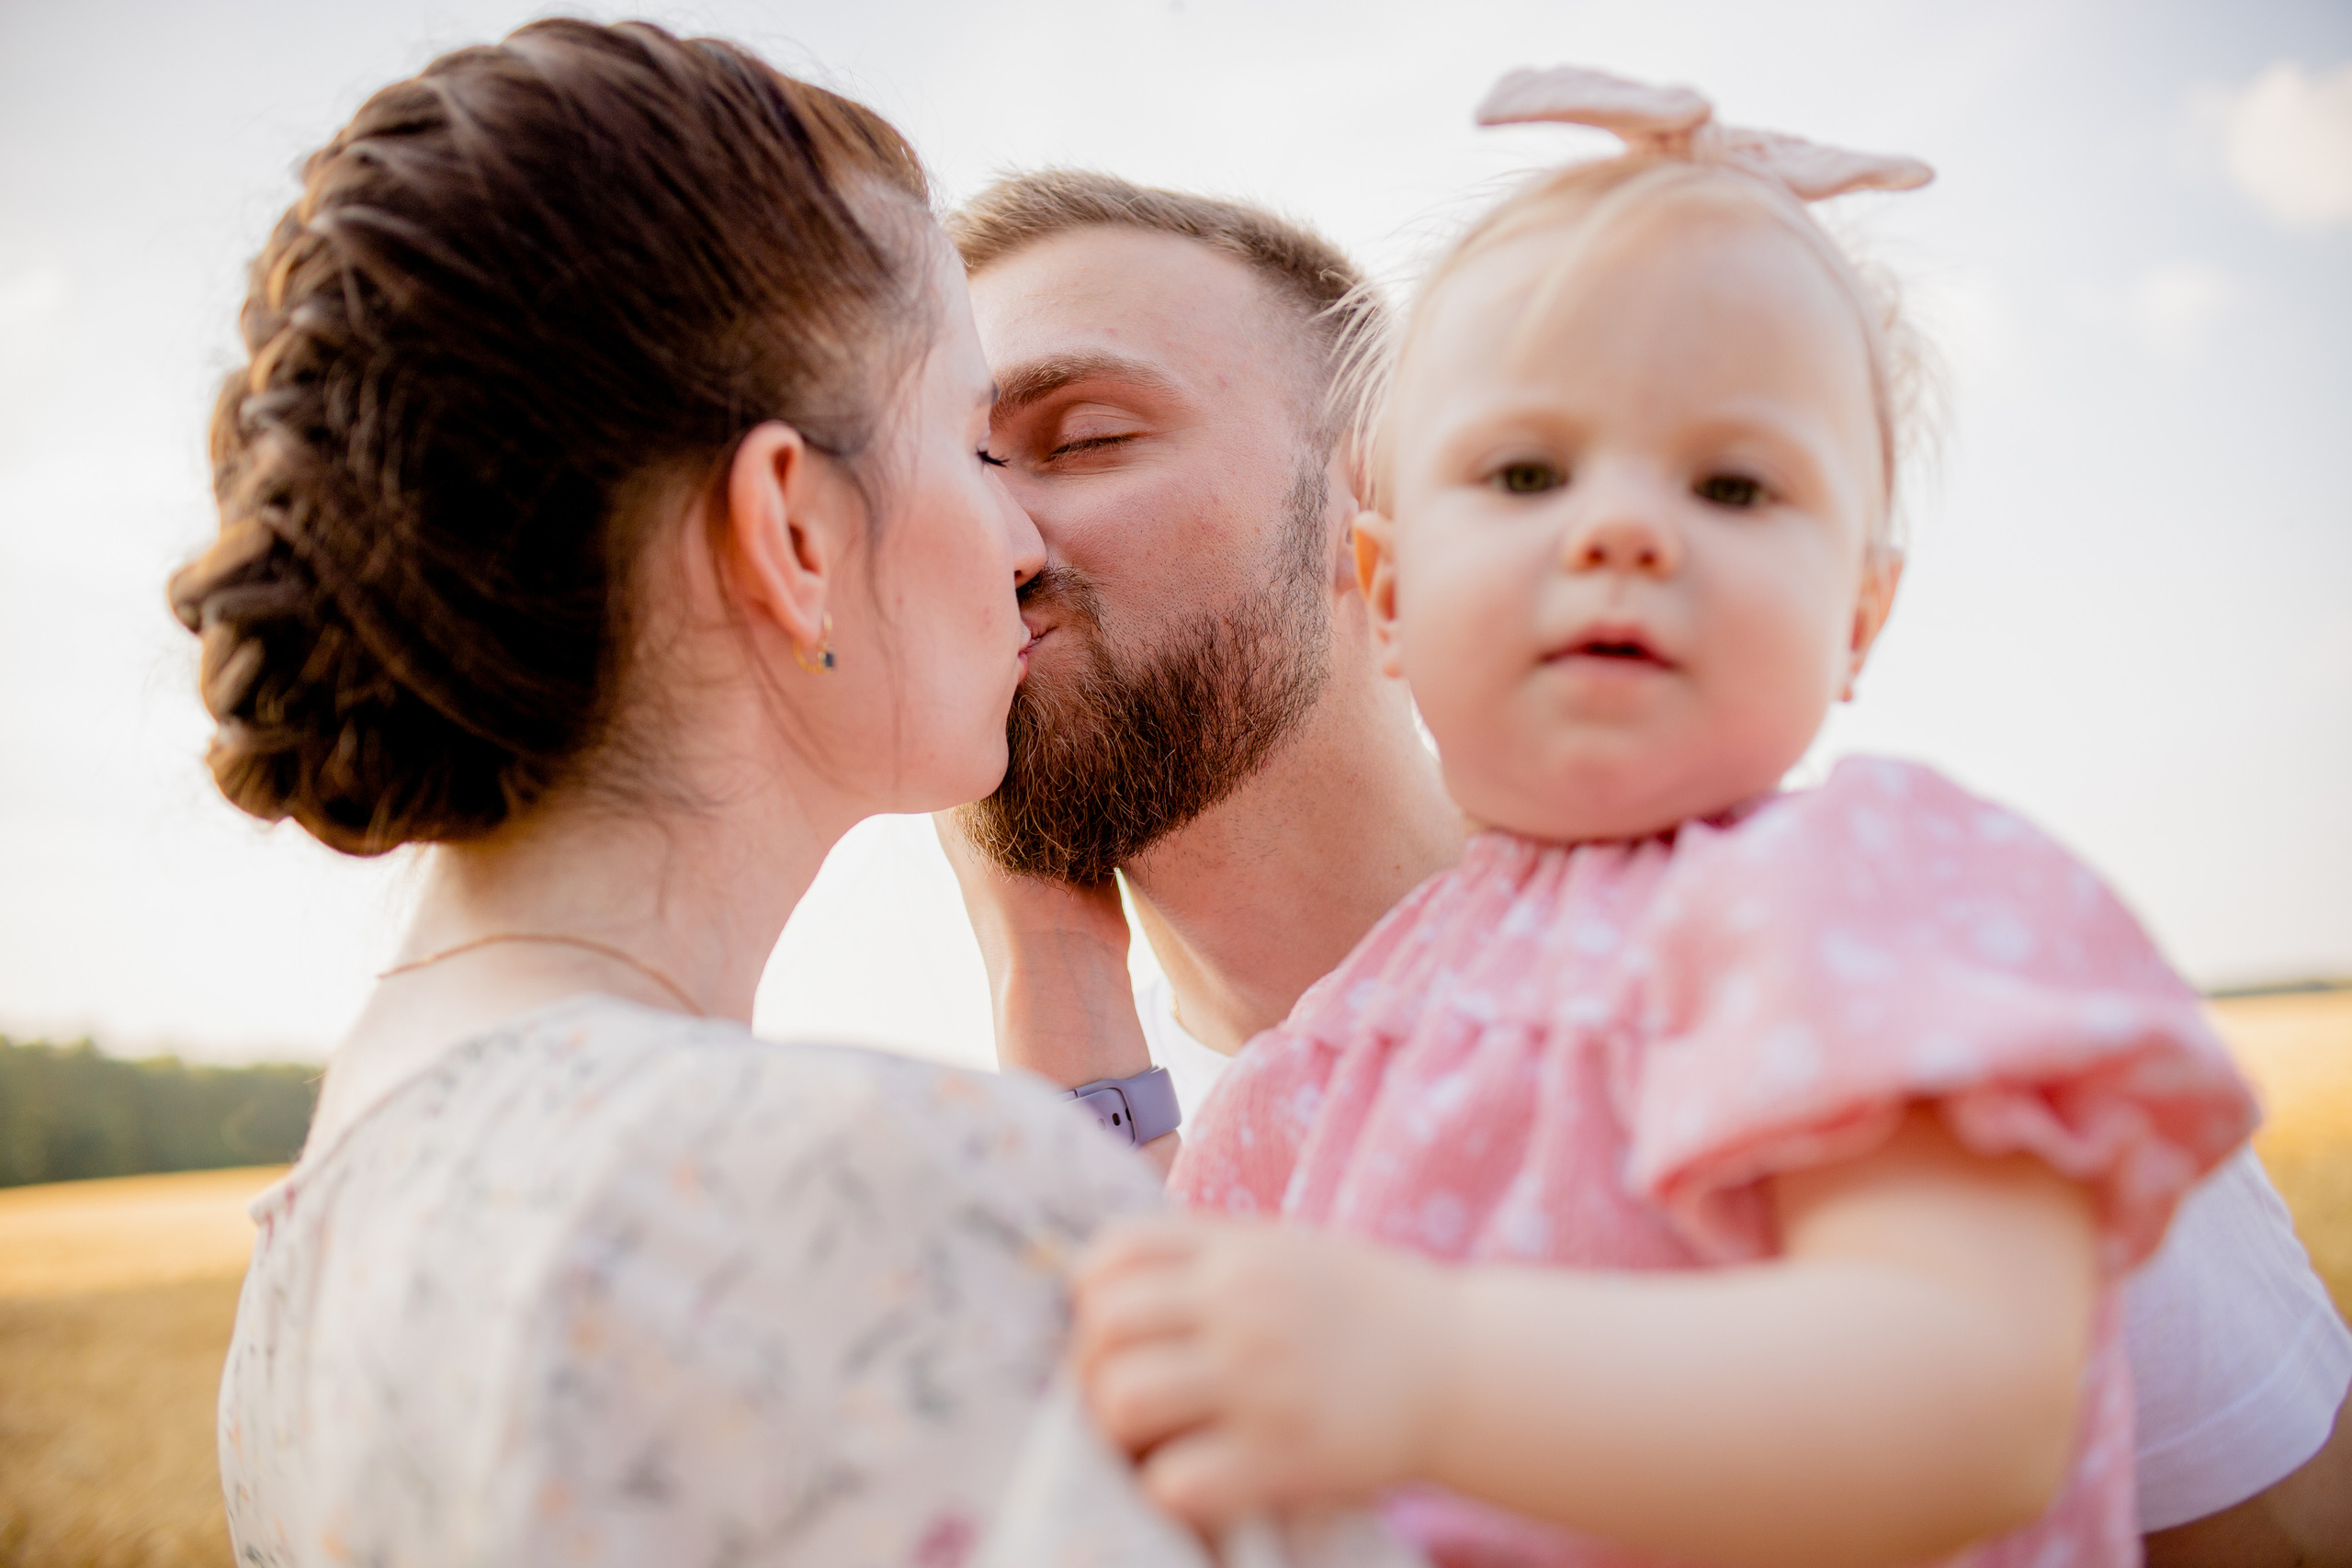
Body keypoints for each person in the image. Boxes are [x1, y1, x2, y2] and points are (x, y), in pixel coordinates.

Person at [940, 114, 2352, 1568]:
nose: (1621, 528)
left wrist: (1431, 1372)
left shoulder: (1877, 918)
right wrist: (1048, 972)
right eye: (1530, 476)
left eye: (1087, 437)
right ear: (1402, 578)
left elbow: (1993, 1417)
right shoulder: (1300, 1086)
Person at [175, 21, 1175, 1567]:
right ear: (790, 529)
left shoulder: (318, 1241)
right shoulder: (878, 1191)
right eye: (974, 443)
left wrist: (1059, 987)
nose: (1025, 544)